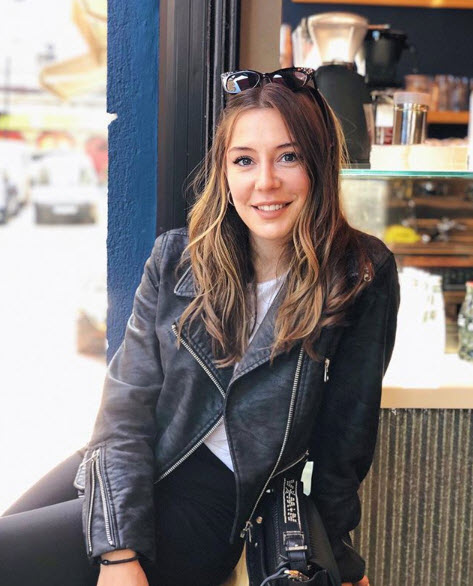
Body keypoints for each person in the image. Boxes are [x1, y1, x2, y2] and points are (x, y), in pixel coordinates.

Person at [0, 67, 400, 586]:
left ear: (320, 163)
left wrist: (340, 559)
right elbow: (124, 409)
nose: (265, 182)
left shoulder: (360, 273)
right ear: (225, 171)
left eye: (289, 156)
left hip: (215, 502)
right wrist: (118, 553)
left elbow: (346, 439)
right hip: (128, 465)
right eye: (244, 160)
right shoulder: (176, 259)